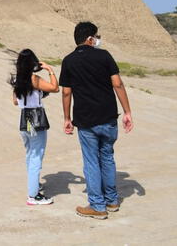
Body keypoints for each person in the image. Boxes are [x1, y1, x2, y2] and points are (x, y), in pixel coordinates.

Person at [59, 22, 133, 220]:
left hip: (85, 120)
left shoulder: (69, 61)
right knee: (107, 157)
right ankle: (112, 200)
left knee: (91, 162)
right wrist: (127, 112)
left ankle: (97, 206)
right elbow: (117, 83)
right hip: (108, 117)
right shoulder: (104, 55)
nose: (98, 39)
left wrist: (67, 118)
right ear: (90, 38)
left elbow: (66, 92)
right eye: (96, 36)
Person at [11, 49, 59, 205]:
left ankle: (34, 185)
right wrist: (50, 70)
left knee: (30, 153)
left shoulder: (17, 80)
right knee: (36, 155)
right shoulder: (34, 78)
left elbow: (15, 101)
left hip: (24, 120)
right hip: (35, 119)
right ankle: (33, 195)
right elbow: (55, 88)